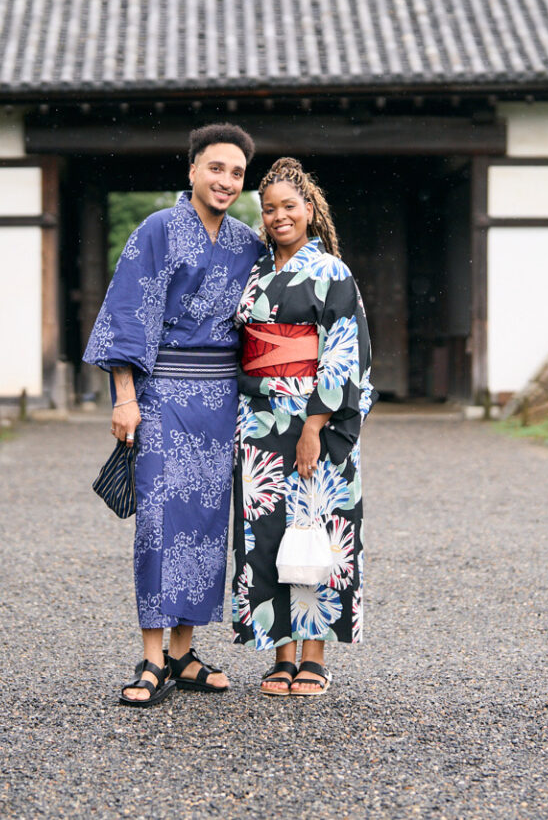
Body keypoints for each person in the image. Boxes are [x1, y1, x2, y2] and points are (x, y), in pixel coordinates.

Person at [83, 123, 262, 707]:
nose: (226, 181)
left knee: (206, 524)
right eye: (216, 168)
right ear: (191, 170)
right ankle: (152, 657)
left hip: (220, 403)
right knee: (159, 522)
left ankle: (184, 653)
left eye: (236, 173)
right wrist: (125, 396)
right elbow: (128, 312)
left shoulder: (245, 244)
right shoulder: (159, 229)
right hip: (162, 395)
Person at [231, 157, 373, 697]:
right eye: (269, 210)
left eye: (289, 206)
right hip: (259, 416)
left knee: (317, 530)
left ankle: (313, 654)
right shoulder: (255, 271)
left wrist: (316, 424)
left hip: (315, 416)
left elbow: (344, 351)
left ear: (309, 211)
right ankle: (280, 654)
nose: (278, 217)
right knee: (264, 531)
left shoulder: (332, 272)